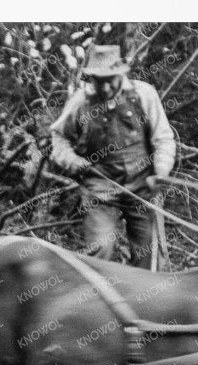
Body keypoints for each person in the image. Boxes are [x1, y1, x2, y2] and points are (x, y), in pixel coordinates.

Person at [46, 43, 177, 268]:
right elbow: (58, 138)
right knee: (100, 250)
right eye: (99, 81)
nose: (105, 88)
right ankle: (96, 298)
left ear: (120, 74)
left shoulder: (143, 94)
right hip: (100, 189)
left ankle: (144, 301)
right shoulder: (81, 101)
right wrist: (74, 162)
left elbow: (163, 138)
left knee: (150, 256)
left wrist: (161, 171)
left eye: (110, 81)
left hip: (143, 186)